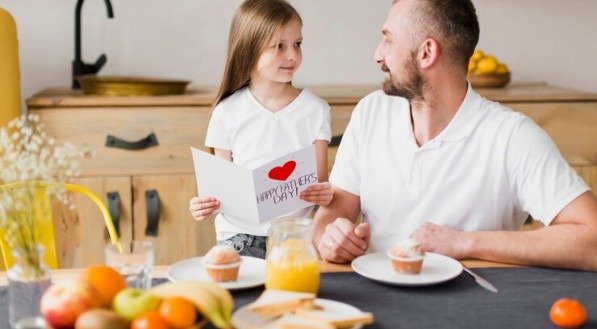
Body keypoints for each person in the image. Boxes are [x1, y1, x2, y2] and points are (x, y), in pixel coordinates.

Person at [313, 0, 597, 271]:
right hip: (374, 301)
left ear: (426, 53)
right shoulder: (370, 112)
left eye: (388, 39)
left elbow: (592, 239)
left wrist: (465, 242)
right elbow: (332, 215)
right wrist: (331, 239)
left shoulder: (511, 137)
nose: (378, 54)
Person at [189, 0, 333, 259]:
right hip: (238, 236)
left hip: (293, 238)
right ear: (250, 50)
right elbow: (221, 189)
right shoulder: (226, 112)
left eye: (297, 44)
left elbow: (319, 182)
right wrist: (204, 205)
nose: (292, 55)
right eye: (279, 46)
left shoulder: (315, 110)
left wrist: (324, 193)